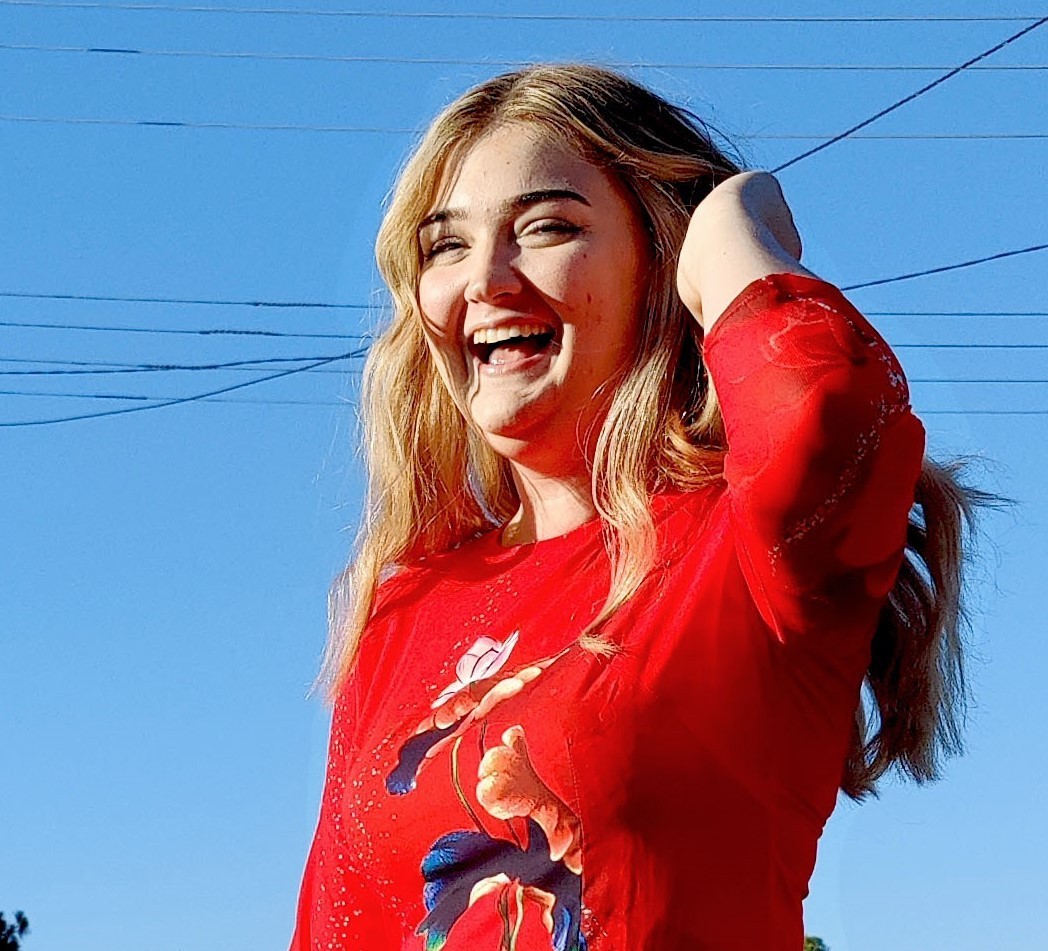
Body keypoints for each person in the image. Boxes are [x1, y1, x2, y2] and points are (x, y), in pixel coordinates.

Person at [290, 64, 976, 950]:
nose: (486, 279)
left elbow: (823, 406)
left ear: (660, 264)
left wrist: (731, 231)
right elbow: (333, 926)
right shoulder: (405, 603)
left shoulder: (748, 549)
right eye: (445, 246)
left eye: (547, 227)